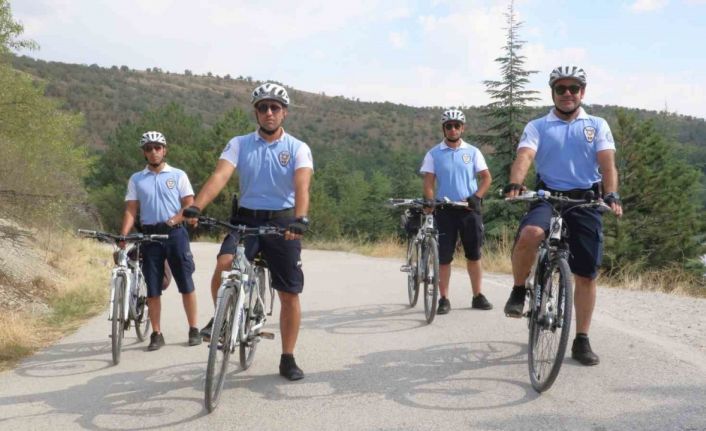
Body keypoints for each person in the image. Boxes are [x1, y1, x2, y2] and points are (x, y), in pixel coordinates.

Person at [183, 82, 313, 381]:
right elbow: (220, 175)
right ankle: (224, 319)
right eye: (263, 107)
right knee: (224, 264)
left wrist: (300, 219)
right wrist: (197, 207)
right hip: (246, 221)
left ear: (284, 113)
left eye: (275, 107)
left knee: (289, 294)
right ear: (256, 112)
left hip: (283, 222)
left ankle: (287, 357)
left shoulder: (298, 148)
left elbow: (302, 185)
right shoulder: (239, 143)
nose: (269, 112)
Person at [503, 66, 623, 366]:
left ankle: (581, 339)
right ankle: (519, 290)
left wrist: (612, 194)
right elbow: (525, 156)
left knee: (586, 274)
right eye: (561, 88)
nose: (567, 93)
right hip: (548, 196)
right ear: (552, 92)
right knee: (530, 234)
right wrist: (516, 182)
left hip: (584, 199)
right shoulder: (538, 126)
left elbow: (607, 165)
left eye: (573, 88)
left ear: (582, 92)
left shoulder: (597, 124)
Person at [120, 131, 201, 351]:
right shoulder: (137, 179)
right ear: (144, 153)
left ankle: (194, 328)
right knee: (153, 288)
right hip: (150, 236)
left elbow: (189, 204)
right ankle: (156, 333)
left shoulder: (178, 175)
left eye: (157, 147)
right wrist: (123, 235)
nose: (153, 152)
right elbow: (130, 210)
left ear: (165, 150)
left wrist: (175, 219)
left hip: (175, 234)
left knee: (186, 282)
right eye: (149, 148)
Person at [419, 108, 493, 315]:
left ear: (463, 128)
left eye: (456, 126)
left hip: (469, 209)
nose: (453, 129)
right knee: (444, 257)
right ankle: (443, 298)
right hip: (445, 210)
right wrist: (430, 200)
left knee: (474, 254)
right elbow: (428, 182)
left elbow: (486, 177)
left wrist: (477, 196)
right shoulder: (434, 153)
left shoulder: (473, 152)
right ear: (444, 128)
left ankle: (478, 295)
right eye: (449, 126)